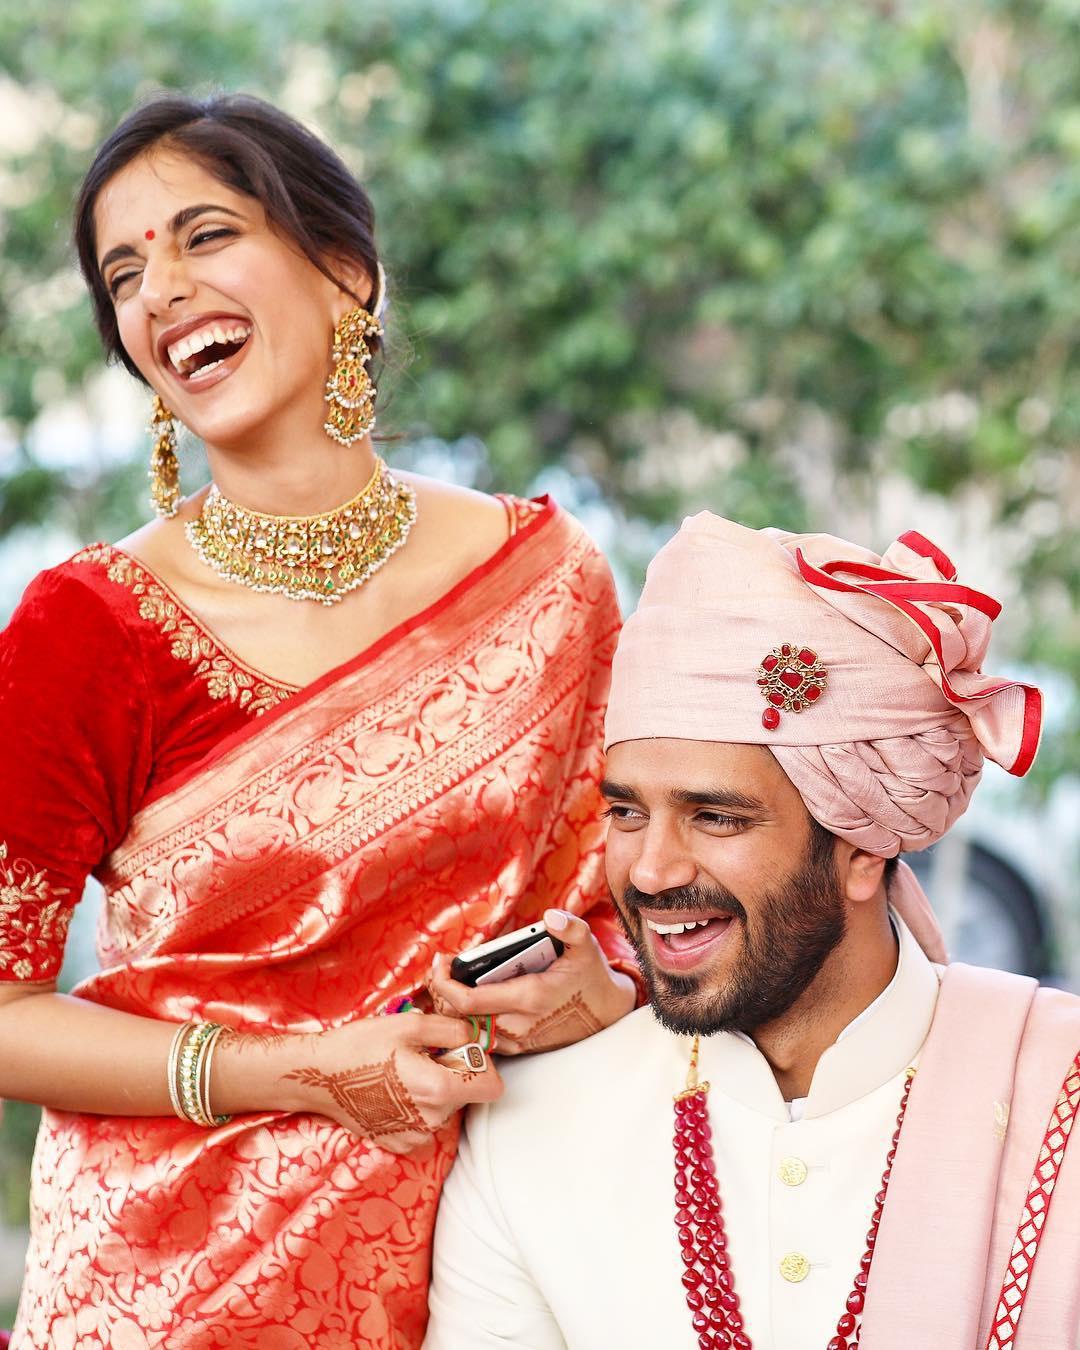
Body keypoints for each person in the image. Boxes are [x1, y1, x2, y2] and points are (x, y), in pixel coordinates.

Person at [0, 93, 641, 1350]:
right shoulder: (89, 626)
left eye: (204, 236)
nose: (160, 292)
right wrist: (292, 1072)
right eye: (123, 273)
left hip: (504, 1250)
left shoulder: (547, 581)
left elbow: (625, 907)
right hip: (168, 1281)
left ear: (345, 272)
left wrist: (599, 996)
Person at [425, 513, 1080, 1349]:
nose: (651, 871)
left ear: (860, 849)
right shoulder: (533, 1137)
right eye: (626, 811)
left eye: (715, 818)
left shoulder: (1057, 1095)